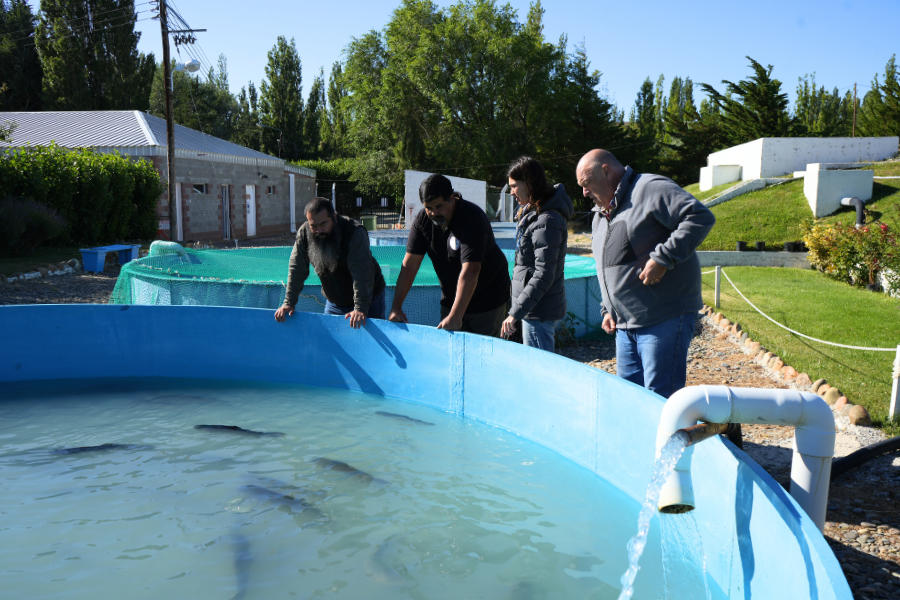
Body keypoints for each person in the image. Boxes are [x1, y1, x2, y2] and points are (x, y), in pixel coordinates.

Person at [576, 149, 715, 398]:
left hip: (663, 317)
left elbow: (698, 217)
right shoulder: (600, 215)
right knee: (630, 398)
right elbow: (608, 267)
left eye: (586, 184)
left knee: (659, 398)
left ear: (606, 171)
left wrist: (663, 258)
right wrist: (607, 309)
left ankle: (667, 439)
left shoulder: (650, 188)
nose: (584, 193)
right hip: (624, 325)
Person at [388, 174, 510, 337]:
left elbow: (471, 270)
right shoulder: (422, 221)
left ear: (452, 198)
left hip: (488, 299)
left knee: (484, 356)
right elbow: (409, 266)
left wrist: (455, 316)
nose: (433, 213)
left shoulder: (472, 218)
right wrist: (396, 307)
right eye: (428, 207)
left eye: (438, 206)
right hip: (451, 299)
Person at [275, 197, 386, 329]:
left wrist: (360, 308)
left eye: (323, 224)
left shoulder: (354, 232)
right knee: (330, 344)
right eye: (313, 226)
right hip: (334, 302)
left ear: (334, 217)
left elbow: (361, 272)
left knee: (369, 345)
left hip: (368, 300)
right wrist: (289, 302)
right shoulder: (304, 234)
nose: (318, 230)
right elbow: (296, 269)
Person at [500, 157, 573, 351]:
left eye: (515, 186)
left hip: (538, 311)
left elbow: (543, 274)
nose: (511, 192)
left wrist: (515, 312)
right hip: (532, 309)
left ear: (529, 183)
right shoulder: (532, 213)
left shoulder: (547, 220)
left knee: (540, 370)